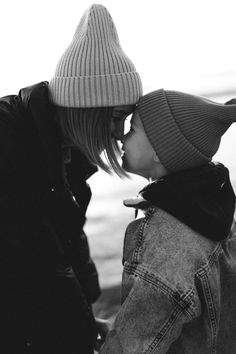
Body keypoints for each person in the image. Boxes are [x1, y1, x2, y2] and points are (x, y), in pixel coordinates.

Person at [0, 4, 142, 354]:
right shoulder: (8, 139)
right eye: (116, 118)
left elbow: (64, 241)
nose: (118, 132)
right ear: (90, 106)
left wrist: (86, 311)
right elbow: (31, 258)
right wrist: (78, 325)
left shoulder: (65, 148)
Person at [100, 89, 236, 353]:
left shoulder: (167, 244)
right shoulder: (216, 212)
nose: (121, 138)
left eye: (132, 129)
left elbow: (132, 345)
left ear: (161, 149)